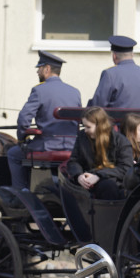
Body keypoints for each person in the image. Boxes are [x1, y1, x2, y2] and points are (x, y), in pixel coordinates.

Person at [6, 51, 82, 190]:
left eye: (39, 67)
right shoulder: (75, 91)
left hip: (47, 146)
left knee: (13, 154)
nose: (37, 71)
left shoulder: (39, 90)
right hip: (72, 147)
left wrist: (22, 139)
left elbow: (23, 120)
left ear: (47, 69)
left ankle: (21, 193)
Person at [66, 106, 135, 199]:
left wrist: (98, 175)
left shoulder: (121, 141)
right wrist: (79, 176)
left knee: (108, 186)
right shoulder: (82, 137)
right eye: (84, 126)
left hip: (111, 180)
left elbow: (126, 168)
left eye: (88, 127)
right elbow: (74, 161)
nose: (85, 130)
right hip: (88, 178)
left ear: (99, 126)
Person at [88, 36, 140, 109]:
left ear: (114, 56)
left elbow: (98, 105)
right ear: (132, 55)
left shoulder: (110, 74)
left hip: (116, 120)